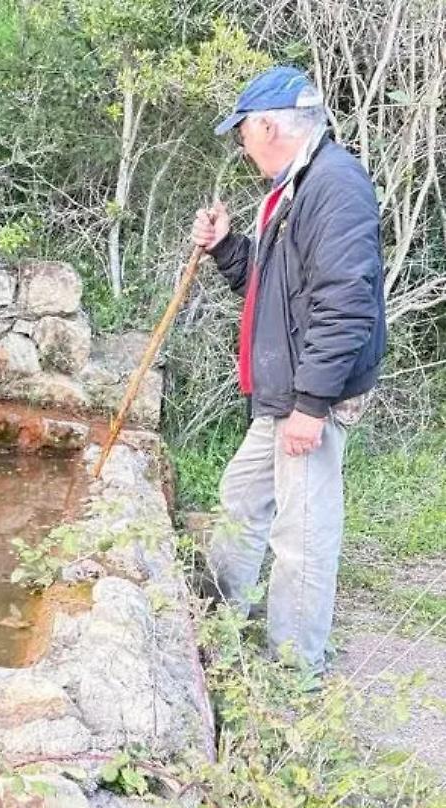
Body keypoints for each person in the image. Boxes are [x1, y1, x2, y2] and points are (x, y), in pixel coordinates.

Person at [191, 66, 386, 671]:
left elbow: (347, 303)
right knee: (241, 501)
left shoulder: (334, 185)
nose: (243, 146)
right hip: (283, 393)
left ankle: (292, 669)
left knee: (300, 535)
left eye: (243, 132)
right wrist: (226, 246)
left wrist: (311, 406)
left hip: (308, 400)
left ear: (268, 125)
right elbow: (271, 289)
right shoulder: (295, 188)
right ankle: (221, 621)